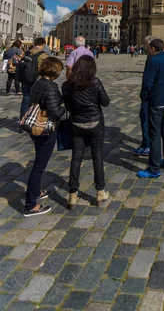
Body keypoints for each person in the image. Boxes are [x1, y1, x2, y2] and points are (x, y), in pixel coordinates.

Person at [62, 55, 110, 210]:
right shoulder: (95, 82)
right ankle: (100, 192)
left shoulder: (67, 85)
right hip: (95, 123)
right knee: (97, 156)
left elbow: (68, 107)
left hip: (76, 124)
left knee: (76, 158)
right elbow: (105, 102)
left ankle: (72, 195)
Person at [23, 57, 65, 216]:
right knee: (39, 167)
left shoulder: (38, 82)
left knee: (39, 162)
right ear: (54, 70)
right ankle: (30, 204)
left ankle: (36, 192)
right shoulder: (50, 87)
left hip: (35, 128)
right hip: (45, 129)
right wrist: (65, 109)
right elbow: (55, 112)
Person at [138, 38, 164, 179]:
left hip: (156, 102)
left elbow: (147, 83)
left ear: (152, 48)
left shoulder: (153, 61)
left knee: (154, 135)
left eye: (148, 48)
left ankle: (154, 168)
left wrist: (144, 97)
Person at [132, 36, 155, 157]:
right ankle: (146, 143)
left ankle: (147, 145)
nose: (144, 47)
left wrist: (144, 94)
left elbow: (149, 80)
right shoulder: (152, 57)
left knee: (146, 119)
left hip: (149, 96)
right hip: (154, 95)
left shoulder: (152, 59)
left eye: (146, 45)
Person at [19, 38, 50, 123]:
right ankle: (34, 122)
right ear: (43, 44)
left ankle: (23, 122)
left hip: (26, 79)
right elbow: (48, 68)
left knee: (25, 100)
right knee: (38, 102)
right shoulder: (44, 55)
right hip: (38, 80)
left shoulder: (27, 52)